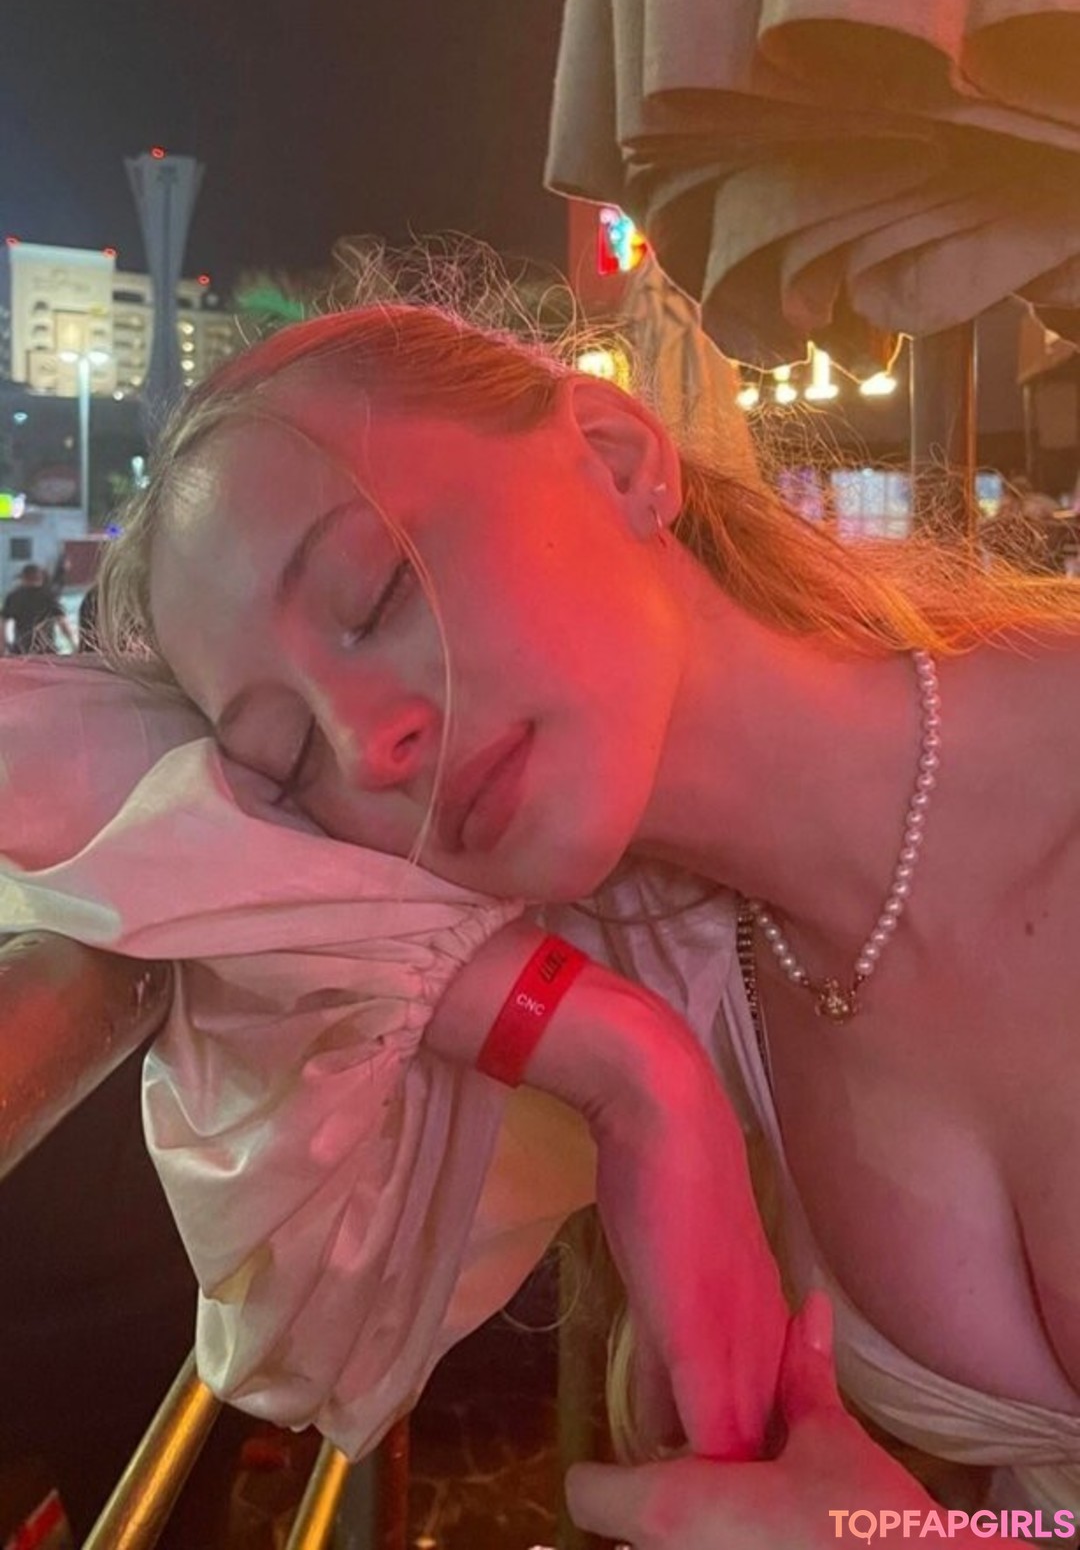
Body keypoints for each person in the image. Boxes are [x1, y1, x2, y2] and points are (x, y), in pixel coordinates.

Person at [65, 303, 1080, 1542]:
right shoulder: (683, 961)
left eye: (377, 591)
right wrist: (627, 1061)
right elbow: (51, 781)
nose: (365, 745)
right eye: (288, 757)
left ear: (615, 454)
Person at [0, 563, 74, 656]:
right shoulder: (49, 595)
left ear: (24, 578)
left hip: (22, 650)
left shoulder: (14, 597)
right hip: (46, 649)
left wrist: (2, 647)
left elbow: (2, 624)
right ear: (40, 579)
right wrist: (73, 644)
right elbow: (62, 622)